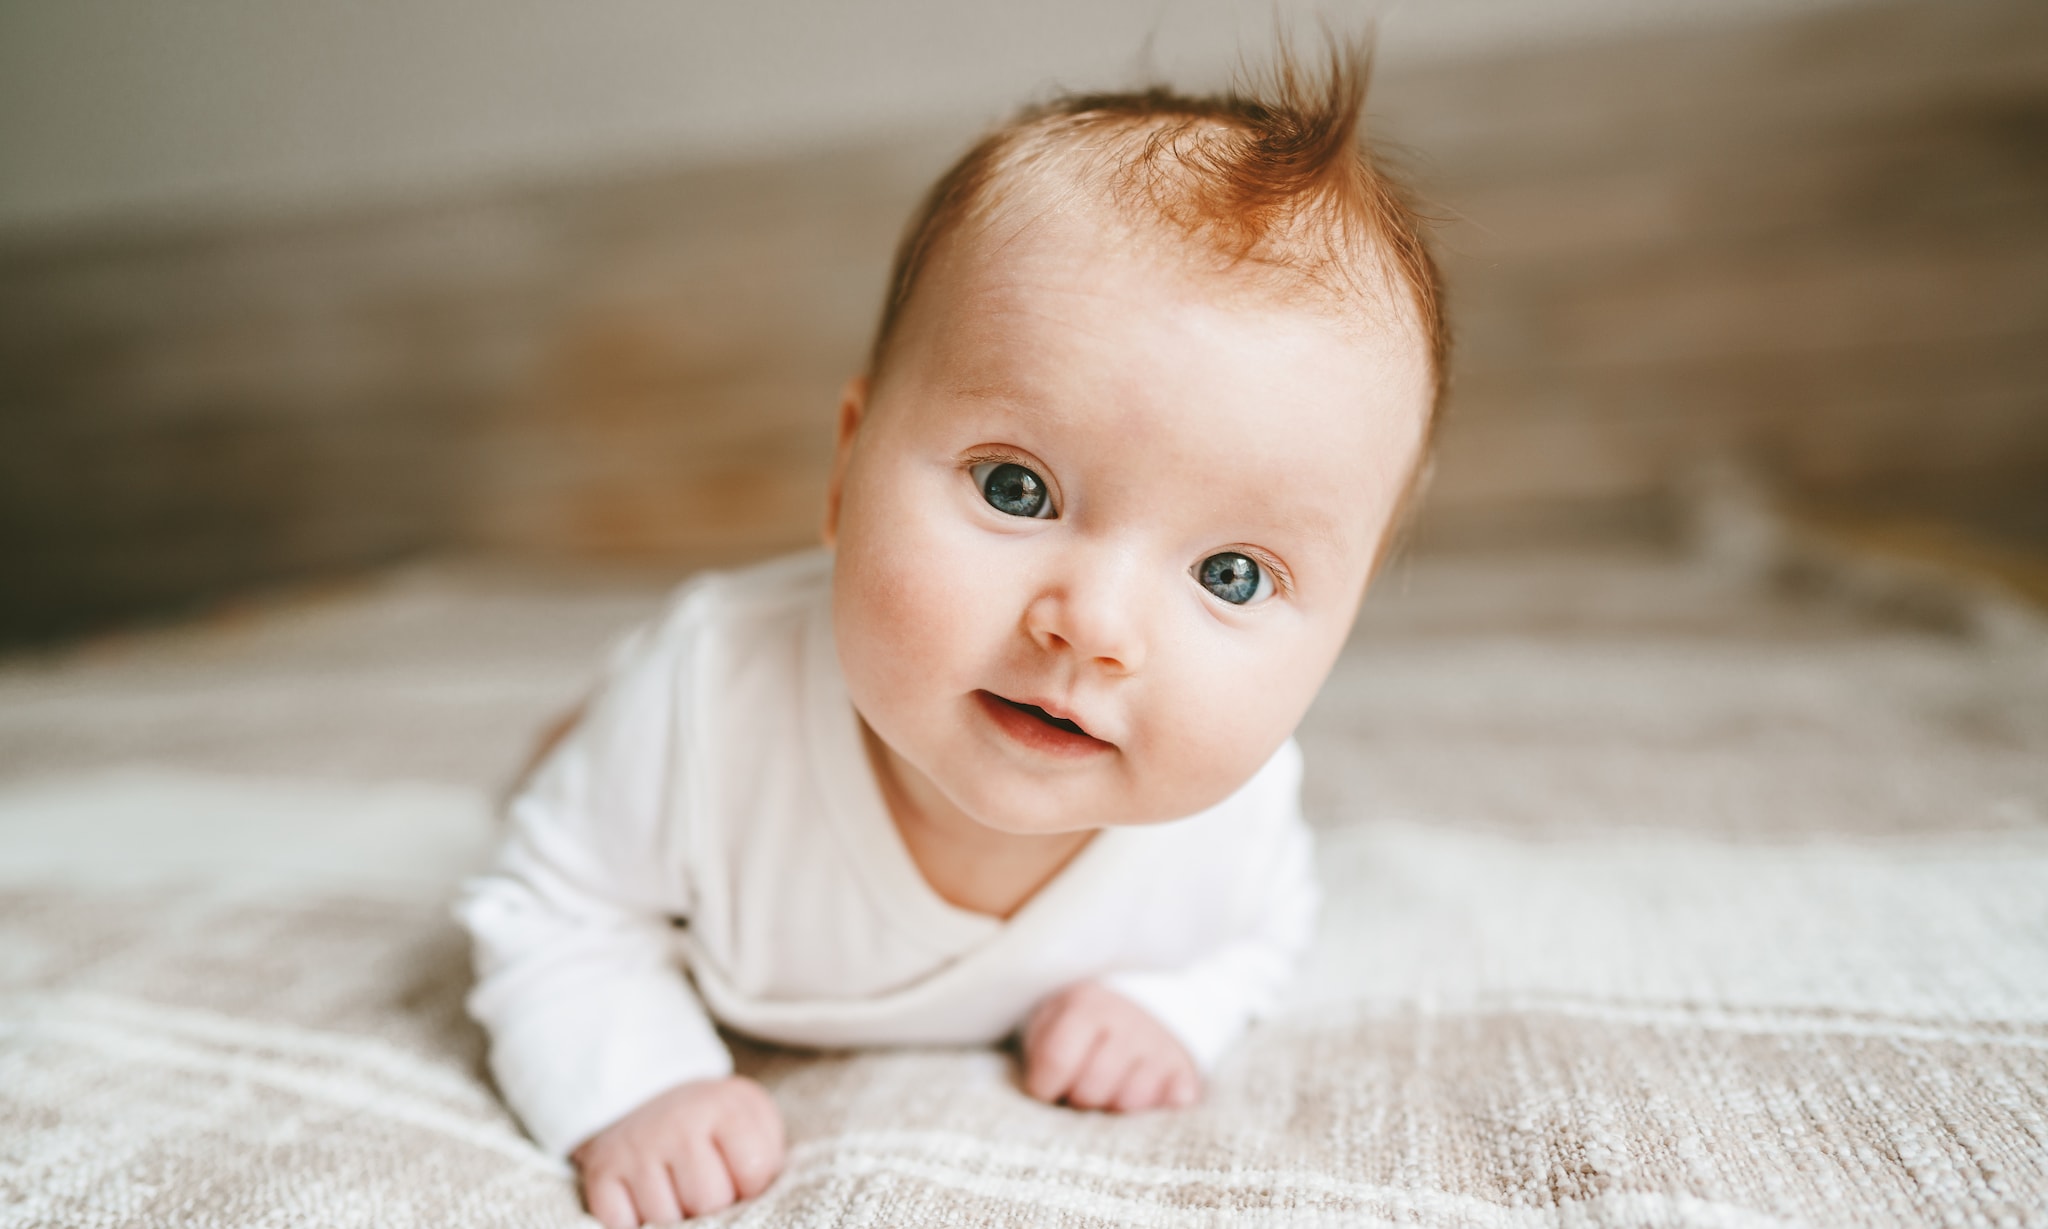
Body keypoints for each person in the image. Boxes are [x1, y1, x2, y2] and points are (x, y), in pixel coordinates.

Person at [456, 41, 1446, 1226]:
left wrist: (1170, 1006)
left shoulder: (1234, 821)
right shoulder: (708, 704)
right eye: (1016, 489)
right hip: (671, 726)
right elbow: (551, 908)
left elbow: (1264, 932)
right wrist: (634, 1081)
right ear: (844, 470)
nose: (1093, 626)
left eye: (1231, 573)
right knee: (572, 791)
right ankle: (564, 740)